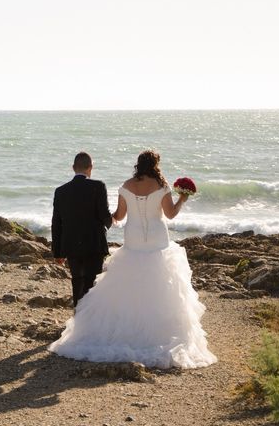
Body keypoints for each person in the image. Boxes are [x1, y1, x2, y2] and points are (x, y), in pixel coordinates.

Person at [49, 150, 217, 369]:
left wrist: (100, 219)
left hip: (133, 236)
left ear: (138, 165)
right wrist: (182, 199)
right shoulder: (161, 186)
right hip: (157, 237)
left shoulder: (126, 187)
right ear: (155, 165)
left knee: (127, 280)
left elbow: (118, 216)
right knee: (159, 280)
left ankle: (107, 327)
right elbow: (170, 214)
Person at [52, 152, 113, 308]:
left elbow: (56, 223)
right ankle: (90, 320)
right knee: (92, 283)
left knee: (77, 281)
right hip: (94, 244)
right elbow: (104, 216)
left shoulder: (61, 191)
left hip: (71, 245)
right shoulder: (98, 186)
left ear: (73, 168)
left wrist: (57, 252)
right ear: (90, 168)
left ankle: (78, 317)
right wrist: (111, 221)